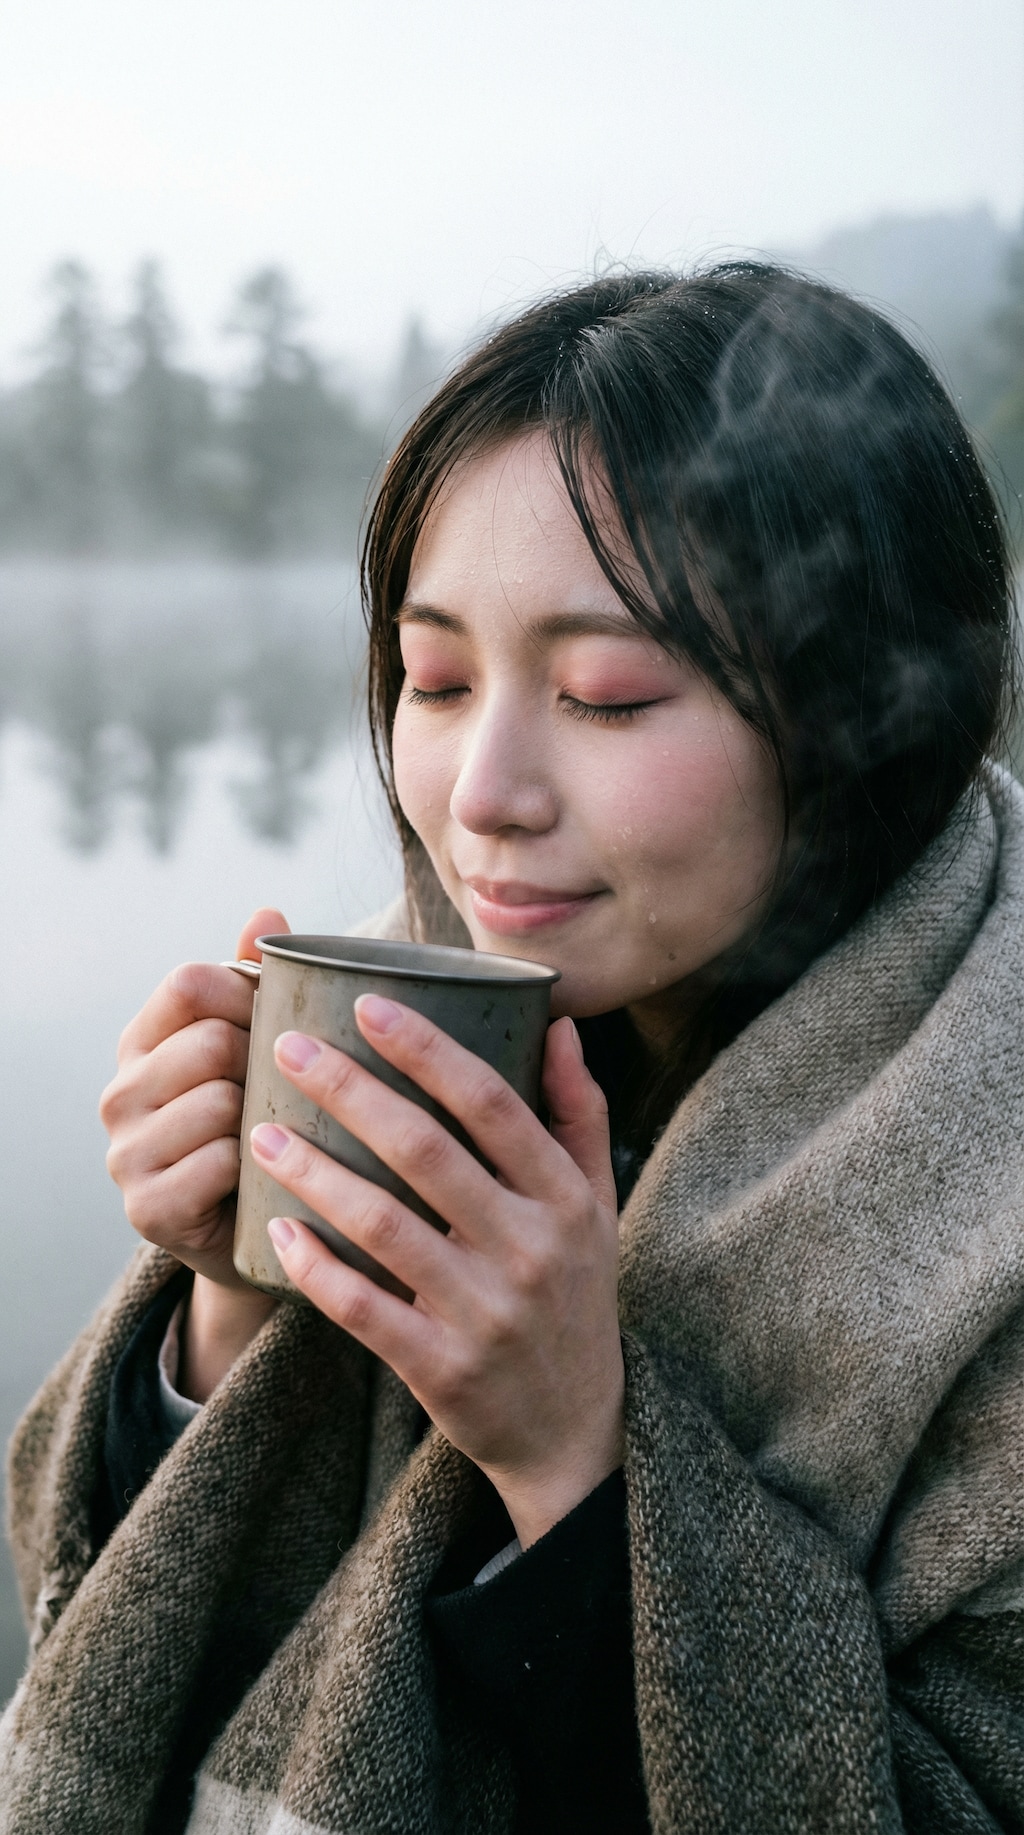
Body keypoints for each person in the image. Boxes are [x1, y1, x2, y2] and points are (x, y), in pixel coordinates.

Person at [2, 264, 1022, 1835]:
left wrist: (573, 1458)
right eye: (436, 679)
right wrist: (233, 1293)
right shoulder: (439, 1030)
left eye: (606, 695)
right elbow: (100, 1619)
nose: (481, 794)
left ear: (869, 706)